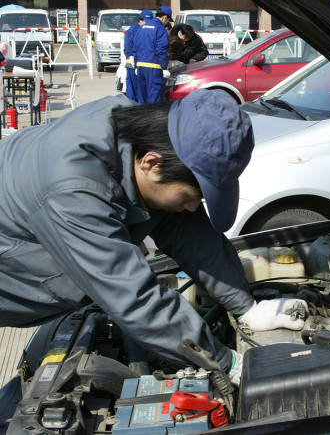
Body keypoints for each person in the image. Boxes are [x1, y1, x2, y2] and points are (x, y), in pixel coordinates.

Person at [0, 89, 307, 384]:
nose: (191, 208)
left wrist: (246, 308)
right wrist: (224, 363)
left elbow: (190, 232)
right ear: (151, 163)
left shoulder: (149, 138)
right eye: (190, 197)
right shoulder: (73, 189)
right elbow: (133, 296)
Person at [133, 5, 171, 103]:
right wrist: (164, 67)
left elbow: (136, 47)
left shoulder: (141, 28)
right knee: (154, 98)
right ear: (165, 17)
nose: (167, 23)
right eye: (168, 20)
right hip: (154, 67)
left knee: (142, 97)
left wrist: (136, 64)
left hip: (140, 67)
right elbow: (161, 49)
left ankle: (142, 118)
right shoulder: (160, 29)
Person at [123, 9, 152, 101]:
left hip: (143, 63)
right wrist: (132, 58)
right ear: (140, 20)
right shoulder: (132, 31)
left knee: (142, 90)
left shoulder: (148, 30)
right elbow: (129, 47)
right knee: (132, 90)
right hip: (133, 64)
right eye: (146, 21)